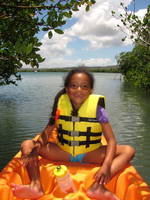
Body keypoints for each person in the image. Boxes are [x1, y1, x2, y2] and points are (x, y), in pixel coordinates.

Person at [11, 68, 135, 200]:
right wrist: (36, 149)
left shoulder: (99, 109)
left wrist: (106, 165)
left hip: (90, 153)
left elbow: (111, 140)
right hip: (62, 152)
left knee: (128, 150)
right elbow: (46, 133)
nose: (79, 90)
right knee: (27, 144)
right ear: (67, 88)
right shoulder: (60, 105)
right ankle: (36, 186)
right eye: (74, 86)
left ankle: (97, 187)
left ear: (91, 90)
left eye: (84, 86)